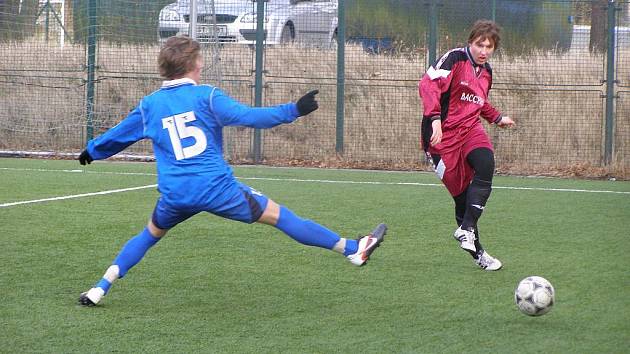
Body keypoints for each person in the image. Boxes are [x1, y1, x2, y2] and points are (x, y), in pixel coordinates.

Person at [77, 36, 387, 306]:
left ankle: (100, 288)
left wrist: (92, 151)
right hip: (215, 189)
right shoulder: (207, 97)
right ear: (191, 65)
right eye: (198, 59)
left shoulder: (149, 105)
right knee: (282, 217)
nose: (201, 64)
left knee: (149, 235)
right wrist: (294, 110)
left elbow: (116, 137)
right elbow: (251, 117)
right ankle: (352, 249)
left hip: (176, 194)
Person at [418, 20, 515, 271]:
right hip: (441, 141)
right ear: (470, 42)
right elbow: (427, 85)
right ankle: (478, 253)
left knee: (486, 163)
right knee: (462, 201)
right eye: (479, 45)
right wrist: (435, 119)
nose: (483, 51)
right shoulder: (454, 60)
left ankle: (467, 229)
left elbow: (478, 102)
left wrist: (496, 118)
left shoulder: (487, 73)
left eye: (489, 46)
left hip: (470, 129)